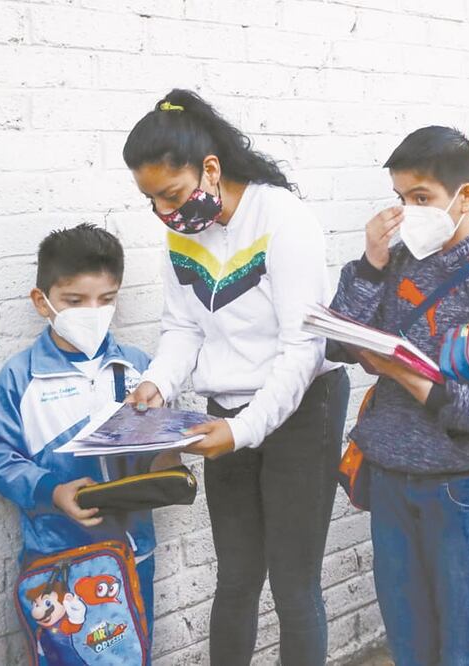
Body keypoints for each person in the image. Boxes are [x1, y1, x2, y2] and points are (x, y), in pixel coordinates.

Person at [121, 90, 350, 665]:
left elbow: (303, 346)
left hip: (303, 407)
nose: (164, 212)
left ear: (210, 169)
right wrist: (158, 384)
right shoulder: (181, 233)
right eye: (151, 200)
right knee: (237, 577)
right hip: (223, 415)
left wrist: (243, 430)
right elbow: (183, 327)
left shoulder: (282, 219)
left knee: (294, 584)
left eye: (171, 195)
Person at [329, 126, 469, 665]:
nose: (408, 213)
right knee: (406, 635)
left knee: (462, 638)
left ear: (466, 196)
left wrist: (428, 390)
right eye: (400, 198)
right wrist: (370, 263)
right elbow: (338, 341)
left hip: (459, 486)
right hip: (389, 476)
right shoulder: (397, 262)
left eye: (421, 198)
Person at [0, 224, 172, 641]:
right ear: (42, 301)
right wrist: (52, 490)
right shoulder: (21, 378)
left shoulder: (140, 369)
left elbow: (161, 455)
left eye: (106, 299)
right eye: (75, 301)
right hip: (58, 562)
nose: (92, 311)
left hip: (133, 554)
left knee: (133, 652)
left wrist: (170, 450)